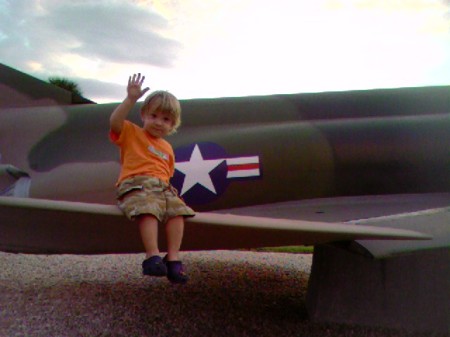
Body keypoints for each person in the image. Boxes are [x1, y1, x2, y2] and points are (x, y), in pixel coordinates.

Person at [109, 73, 195, 284]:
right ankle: (152, 256)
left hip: (162, 187)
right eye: (154, 116)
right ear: (144, 115)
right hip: (136, 183)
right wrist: (130, 99)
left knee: (178, 211)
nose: (159, 122)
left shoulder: (167, 148)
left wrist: (167, 195)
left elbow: (167, 174)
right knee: (148, 208)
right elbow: (115, 122)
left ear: (173, 124)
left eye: (166, 119)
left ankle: (173, 259)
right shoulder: (132, 132)